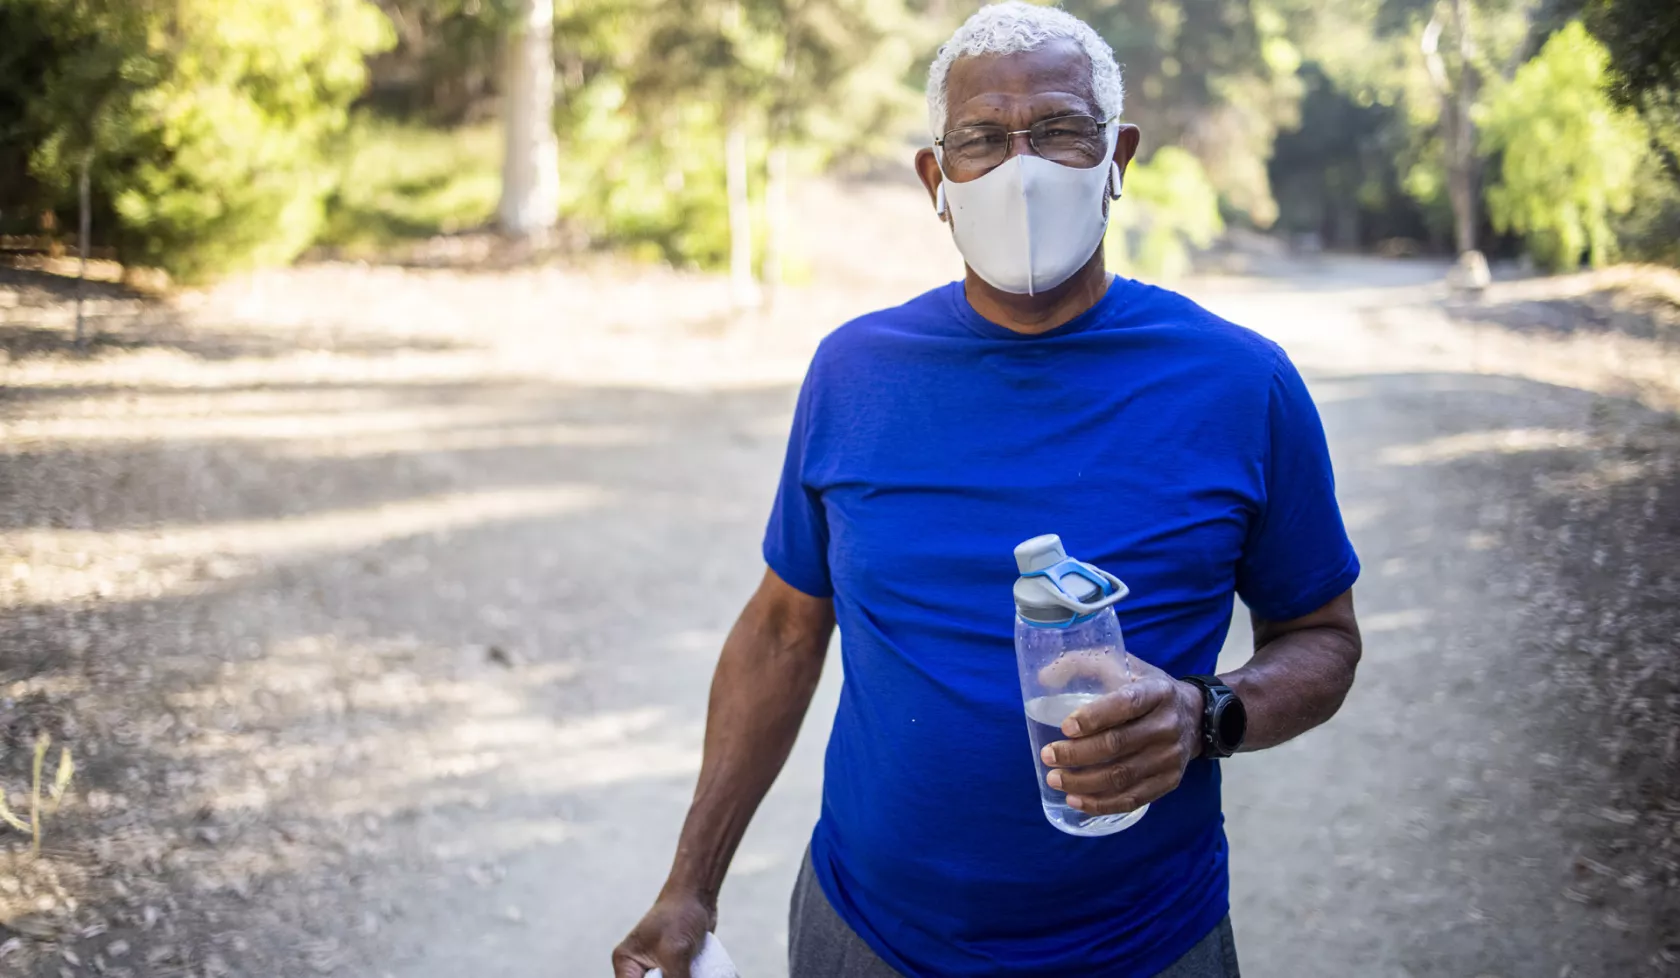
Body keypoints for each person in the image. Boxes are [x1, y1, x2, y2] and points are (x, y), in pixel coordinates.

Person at [612, 3, 1363, 976]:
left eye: (1058, 130)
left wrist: (1204, 713)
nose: (1022, 167)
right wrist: (689, 887)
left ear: (1118, 156)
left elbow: (1324, 639)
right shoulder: (856, 375)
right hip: (867, 938)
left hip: (1145, 947)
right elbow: (782, 632)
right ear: (936, 176)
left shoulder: (1239, 384)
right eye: (981, 140)